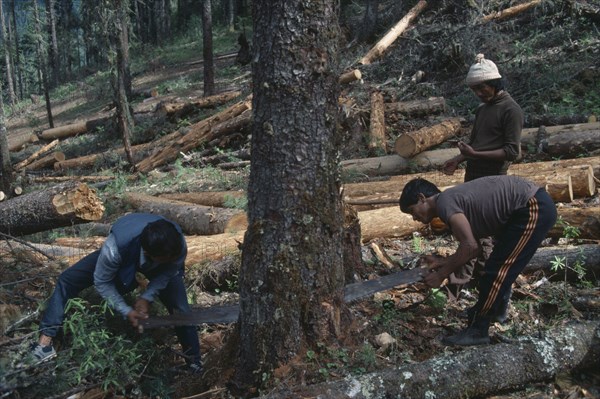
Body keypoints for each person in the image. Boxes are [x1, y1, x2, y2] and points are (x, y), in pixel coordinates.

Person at [29, 213, 202, 372]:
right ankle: (45, 343)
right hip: (126, 256)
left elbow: (168, 272)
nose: (173, 259)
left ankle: (194, 363)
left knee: (181, 309)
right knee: (67, 280)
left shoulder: (177, 244)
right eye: (166, 258)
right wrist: (126, 310)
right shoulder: (116, 247)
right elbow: (102, 281)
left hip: (151, 260)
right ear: (149, 254)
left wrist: (147, 297)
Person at [399, 176, 557, 346]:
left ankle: (477, 330)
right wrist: (442, 263)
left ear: (422, 199)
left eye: (412, 211)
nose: (414, 218)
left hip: (532, 206)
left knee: (497, 272)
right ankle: (495, 311)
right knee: (497, 266)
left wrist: (441, 275)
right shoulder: (450, 200)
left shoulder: (445, 203)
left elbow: (470, 247)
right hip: (524, 208)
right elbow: (474, 249)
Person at [441, 53, 525, 306]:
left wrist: (476, 154)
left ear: (496, 84)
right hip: (474, 175)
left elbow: (513, 152)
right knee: (471, 230)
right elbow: (476, 144)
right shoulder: (483, 110)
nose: (479, 93)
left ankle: (486, 286)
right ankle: (472, 283)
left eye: (483, 88)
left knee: (482, 232)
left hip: (493, 180)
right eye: (475, 89)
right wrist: (459, 159)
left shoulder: (511, 110)